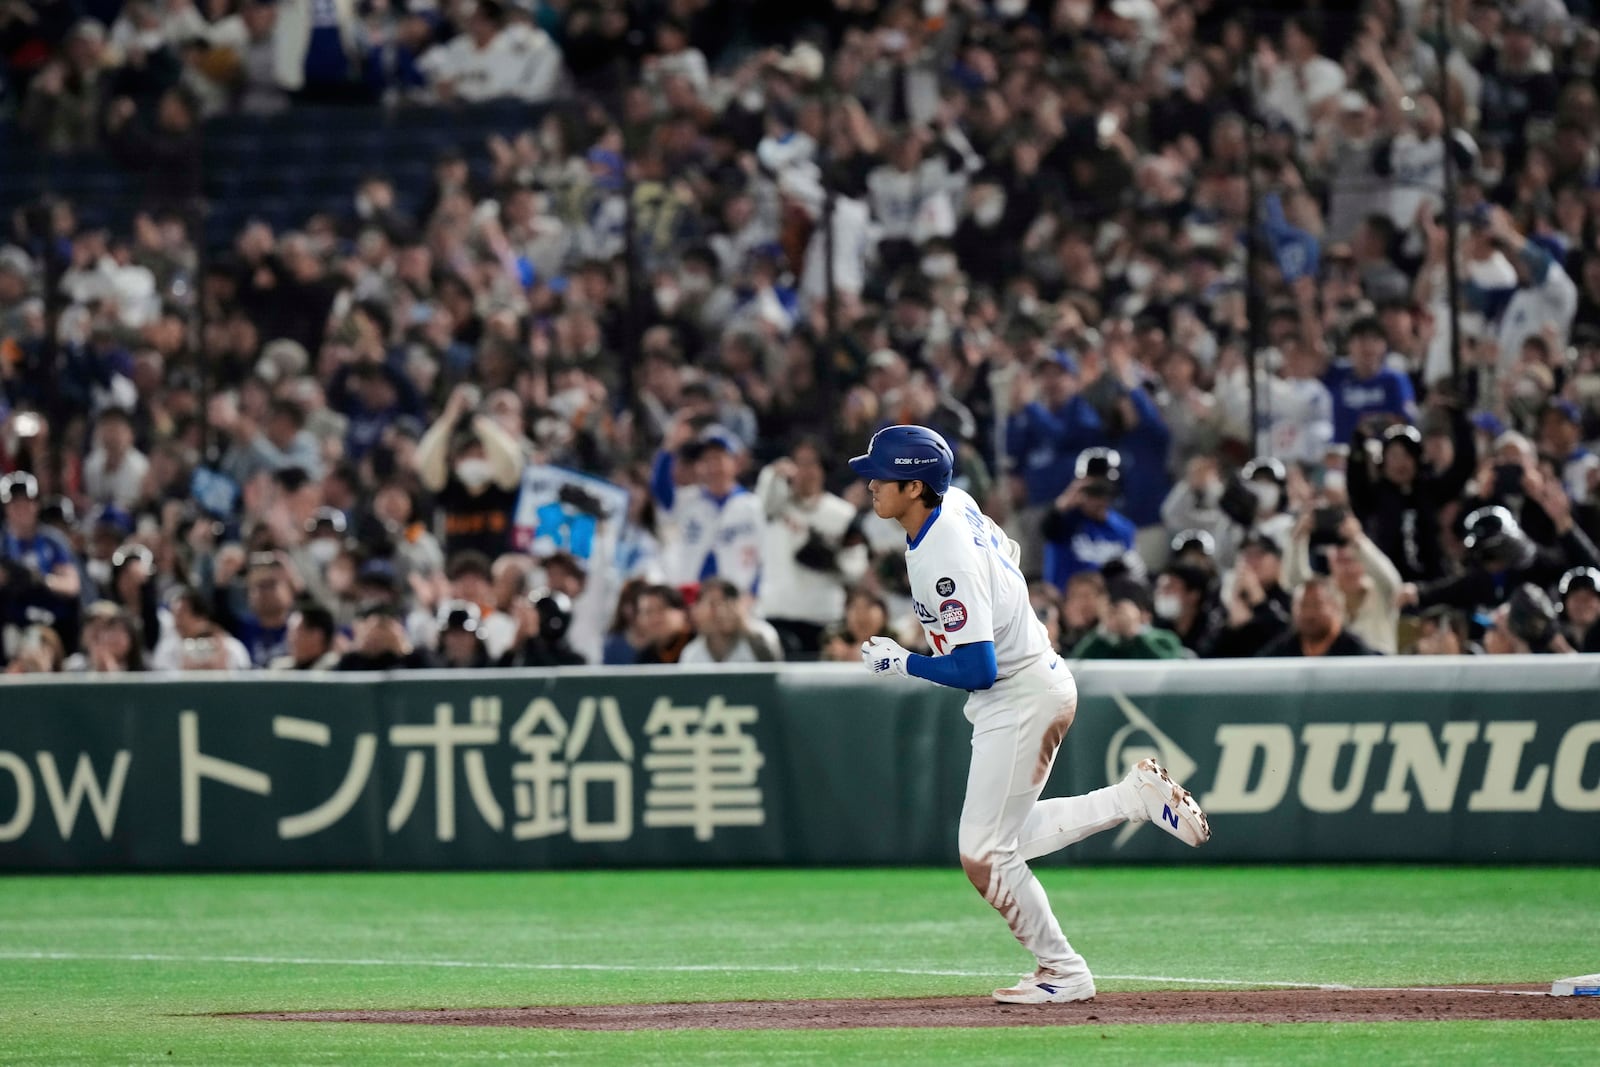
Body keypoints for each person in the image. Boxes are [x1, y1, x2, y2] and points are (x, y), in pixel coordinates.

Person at [849, 424, 1209, 1006]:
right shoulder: (956, 503)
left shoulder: (943, 554)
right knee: (1000, 841)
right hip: (1030, 684)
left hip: (1017, 695)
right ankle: (1131, 799)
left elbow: (978, 668)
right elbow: (1009, 554)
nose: (870, 482)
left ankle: (1062, 970)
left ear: (914, 486)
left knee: (983, 853)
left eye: (881, 474)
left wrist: (905, 663)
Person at [754, 440, 866, 657]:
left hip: (823, 615)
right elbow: (761, 502)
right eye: (800, 463)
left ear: (823, 469)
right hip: (778, 612)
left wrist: (833, 563)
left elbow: (857, 566)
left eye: (812, 464)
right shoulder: (775, 508)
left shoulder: (843, 515)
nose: (806, 471)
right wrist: (772, 473)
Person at [651, 422, 764, 594]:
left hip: (737, 598)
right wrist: (669, 448)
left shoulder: (753, 506)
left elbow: (766, 557)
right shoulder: (688, 500)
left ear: (736, 462)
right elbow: (659, 490)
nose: (713, 466)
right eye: (706, 460)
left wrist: (754, 593)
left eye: (719, 458)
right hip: (691, 597)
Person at [1256, 576, 1378, 657]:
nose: (1309, 613)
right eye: (1303, 605)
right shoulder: (1282, 650)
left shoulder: (1356, 653)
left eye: (1317, 604)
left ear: (1335, 607)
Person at [1070, 581, 1187, 660]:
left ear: (1143, 613)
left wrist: (1134, 633)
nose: (1119, 617)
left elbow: (1167, 667)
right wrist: (1104, 631)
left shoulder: (1164, 640)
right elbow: (1077, 667)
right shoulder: (1099, 641)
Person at [681, 577, 783, 663]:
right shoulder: (691, 653)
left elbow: (772, 668)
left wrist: (743, 626)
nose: (721, 612)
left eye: (726, 604)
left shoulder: (761, 633)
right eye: (713, 605)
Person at [269, 602, 341, 670]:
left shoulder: (337, 668)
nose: (289, 638)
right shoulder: (282, 668)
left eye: (295, 632)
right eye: (289, 632)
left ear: (317, 636)